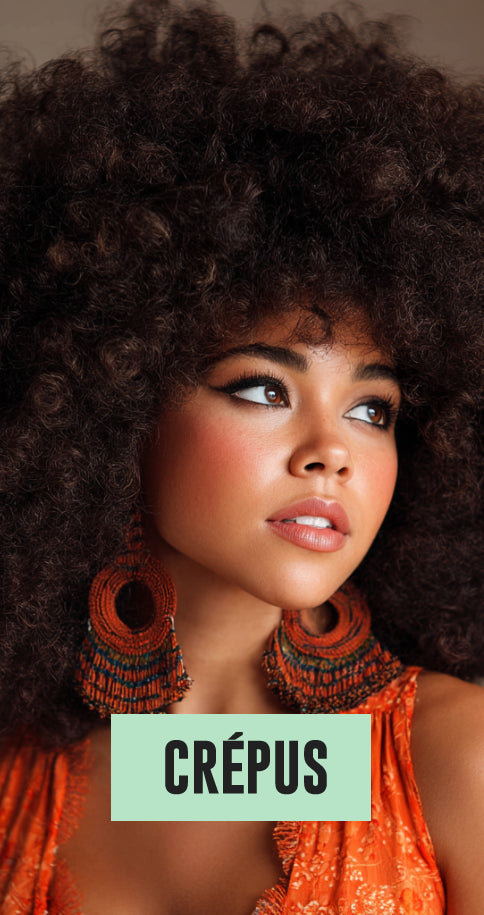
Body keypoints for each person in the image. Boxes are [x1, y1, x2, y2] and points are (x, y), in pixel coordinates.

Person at [0, 1, 483, 912]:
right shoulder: (19, 776)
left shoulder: (454, 762)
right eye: (263, 389)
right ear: (112, 396)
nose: (332, 452)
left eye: (372, 408)